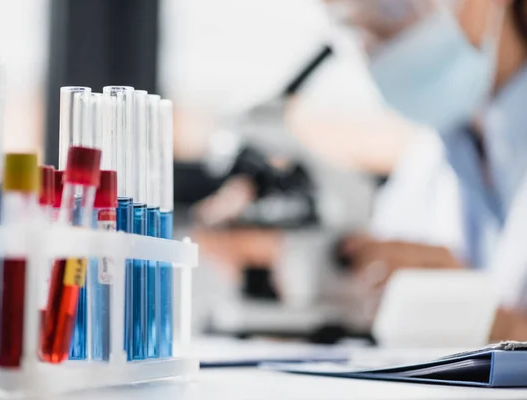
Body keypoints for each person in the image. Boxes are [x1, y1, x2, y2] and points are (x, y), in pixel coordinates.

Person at [197, 0, 527, 338]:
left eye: (390, 10)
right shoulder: (430, 160)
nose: (381, 49)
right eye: (357, 26)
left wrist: (501, 326)